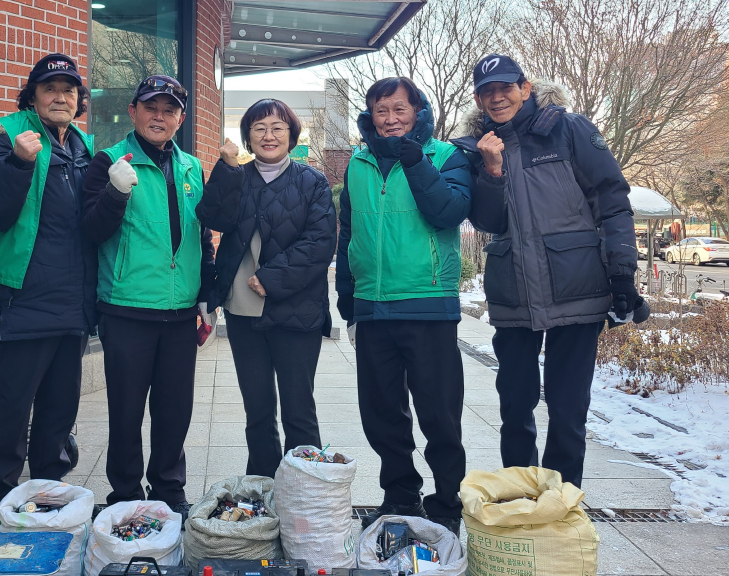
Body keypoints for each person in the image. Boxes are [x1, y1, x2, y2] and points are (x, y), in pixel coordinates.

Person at [453, 54, 640, 488]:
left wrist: (622, 273)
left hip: (578, 289)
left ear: (525, 86)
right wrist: (493, 172)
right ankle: (521, 501)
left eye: (506, 88)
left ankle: (562, 507)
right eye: (487, 91)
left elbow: (612, 200)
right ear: (478, 99)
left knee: (568, 410)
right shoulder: (475, 148)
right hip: (514, 294)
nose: (497, 98)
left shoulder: (569, 129)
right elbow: (487, 223)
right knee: (514, 410)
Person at [335, 77, 471, 534]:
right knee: (381, 413)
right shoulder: (358, 162)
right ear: (369, 116)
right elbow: (348, 235)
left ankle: (449, 501)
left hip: (428, 302)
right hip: (373, 307)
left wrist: (416, 164)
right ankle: (400, 496)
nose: (390, 119)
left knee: (439, 412)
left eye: (399, 109)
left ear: (418, 111)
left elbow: (449, 212)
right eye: (381, 111)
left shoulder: (446, 156)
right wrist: (348, 298)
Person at [82, 76, 216, 517]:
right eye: (151, 107)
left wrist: (205, 294)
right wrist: (116, 192)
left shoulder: (192, 167)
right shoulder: (107, 163)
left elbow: (201, 235)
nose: (160, 116)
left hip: (180, 312)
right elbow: (90, 231)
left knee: (175, 411)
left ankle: (169, 489)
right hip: (128, 308)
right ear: (134, 111)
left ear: (180, 118)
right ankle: (124, 493)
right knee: (125, 411)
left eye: (170, 109)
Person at [0, 54, 96, 509]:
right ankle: (3, 497)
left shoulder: (83, 146)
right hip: (23, 298)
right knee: (12, 405)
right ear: (32, 96)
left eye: (69, 90)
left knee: (60, 407)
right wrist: (20, 164)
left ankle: (50, 491)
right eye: (49, 88)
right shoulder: (6, 137)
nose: (60, 96)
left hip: (73, 301)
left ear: (79, 100)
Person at [196, 99, 336, 477]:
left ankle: (306, 494)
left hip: (296, 311)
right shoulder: (236, 176)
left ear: (291, 135)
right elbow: (211, 217)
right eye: (259, 128)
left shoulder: (313, 181)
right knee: (257, 410)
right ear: (247, 137)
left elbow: (320, 242)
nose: (268, 135)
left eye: (277, 127)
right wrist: (225, 170)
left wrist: (272, 278)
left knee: (298, 410)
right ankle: (263, 489)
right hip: (243, 312)